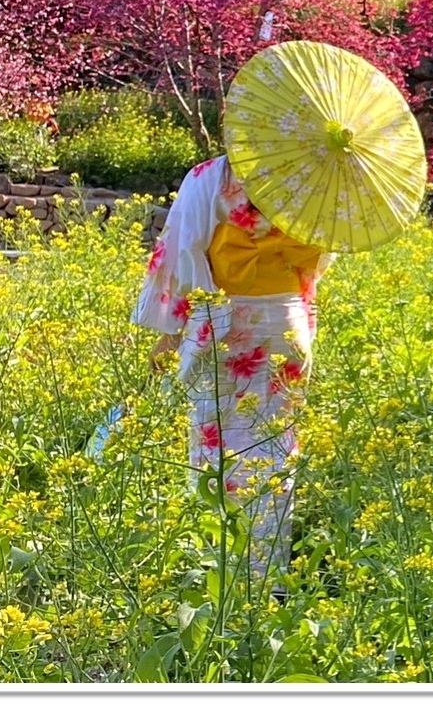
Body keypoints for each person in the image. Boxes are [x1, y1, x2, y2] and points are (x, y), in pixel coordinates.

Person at [131, 154, 334, 579]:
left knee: (215, 443)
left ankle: (216, 571)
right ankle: (265, 577)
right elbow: (322, 258)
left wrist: (169, 331)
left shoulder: (214, 176)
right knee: (275, 446)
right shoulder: (320, 173)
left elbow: (183, 250)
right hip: (287, 318)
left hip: (226, 315)